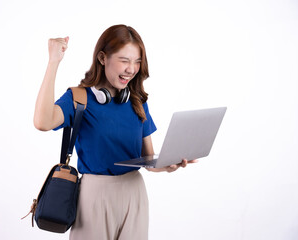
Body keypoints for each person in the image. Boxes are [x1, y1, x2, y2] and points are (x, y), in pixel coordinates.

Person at [34, 24, 197, 240]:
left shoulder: (137, 100)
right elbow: (42, 122)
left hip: (135, 194)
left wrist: (167, 165)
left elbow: (147, 158)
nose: (132, 68)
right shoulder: (79, 98)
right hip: (94, 197)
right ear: (102, 58)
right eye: (125, 60)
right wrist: (53, 62)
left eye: (137, 61)